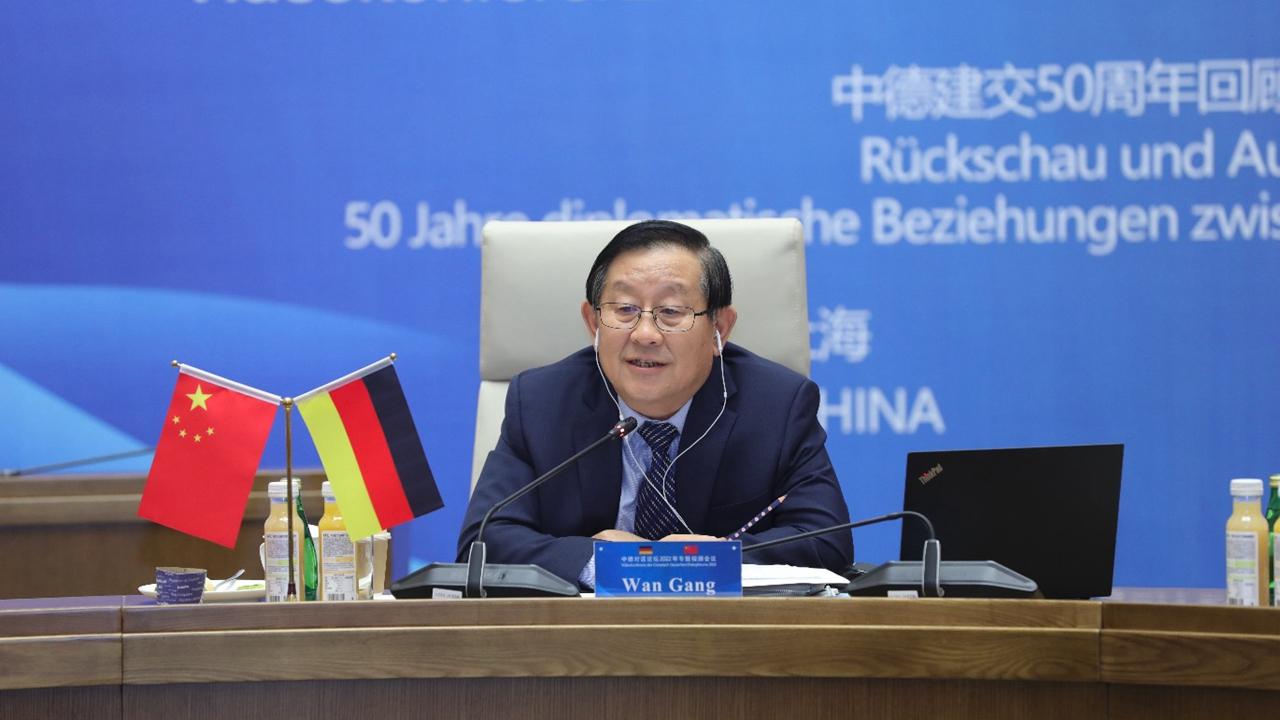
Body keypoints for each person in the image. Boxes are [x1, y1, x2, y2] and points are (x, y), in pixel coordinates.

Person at [456, 219, 853, 589]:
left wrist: (702, 560)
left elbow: (827, 542)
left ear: (719, 328)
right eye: (624, 310)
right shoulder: (541, 403)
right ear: (593, 324)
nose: (645, 334)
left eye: (671, 312)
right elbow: (482, 542)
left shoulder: (777, 405)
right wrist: (605, 562)